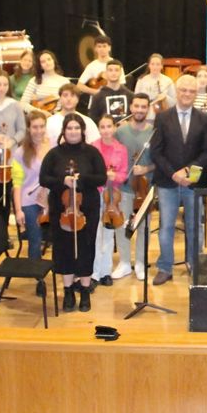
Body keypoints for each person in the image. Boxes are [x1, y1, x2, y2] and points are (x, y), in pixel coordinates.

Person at [149, 74, 207, 285]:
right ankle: (165, 267)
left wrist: (189, 172)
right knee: (166, 226)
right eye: (183, 90)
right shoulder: (162, 117)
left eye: (192, 91)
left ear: (197, 94)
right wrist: (174, 174)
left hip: (194, 183)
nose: (187, 94)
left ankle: (195, 264)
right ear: (176, 92)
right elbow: (156, 152)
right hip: (168, 182)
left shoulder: (204, 119)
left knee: (195, 226)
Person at [44, 113, 107, 311]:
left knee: (86, 247)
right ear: (64, 131)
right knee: (64, 248)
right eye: (69, 128)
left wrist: (82, 179)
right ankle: (68, 290)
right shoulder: (54, 154)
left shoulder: (92, 152)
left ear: (82, 131)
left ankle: (85, 291)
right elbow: (43, 178)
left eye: (76, 128)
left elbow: (102, 178)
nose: (73, 132)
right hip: (61, 209)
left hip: (87, 208)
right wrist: (62, 181)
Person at [114, 93, 155, 280]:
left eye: (143, 106)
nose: (139, 110)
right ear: (131, 108)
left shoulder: (154, 132)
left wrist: (146, 168)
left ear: (148, 109)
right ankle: (124, 262)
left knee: (143, 226)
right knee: (122, 225)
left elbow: (160, 161)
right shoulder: (120, 132)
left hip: (145, 189)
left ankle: (140, 262)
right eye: (136, 106)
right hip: (124, 187)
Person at [90, 114, 133, 286]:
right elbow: (90, 172)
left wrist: (115, 176)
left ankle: (105, 272)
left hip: (112, 196)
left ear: (114, 128)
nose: (106, 130)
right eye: (103, 127)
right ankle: (93, 273)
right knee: (95, 235)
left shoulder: (121, 149)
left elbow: (124, 173)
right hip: (96, 193)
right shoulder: (93, 148)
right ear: (99, 129)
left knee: (108, 234)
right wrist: (102, 176)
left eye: (109, 126)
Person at [15, 112, 52, 264]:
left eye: (42, 126)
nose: (39, 131)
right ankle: (36, 273)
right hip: (29, 201)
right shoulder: (20, 152)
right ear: (29, 129)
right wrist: (18, 210)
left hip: (50, 199)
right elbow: (17, 184)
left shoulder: (52, 146)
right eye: (35, 127)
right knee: (35, 240)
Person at [89, 60, 134, 124]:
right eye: (110, 70)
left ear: (121, 72)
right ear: (106, 73)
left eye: (116, 70)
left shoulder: (130, 95)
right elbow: (93, 119)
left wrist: (128, 123)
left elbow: (134, 116)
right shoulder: (97, 97)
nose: (113, 73)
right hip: (105, 133)